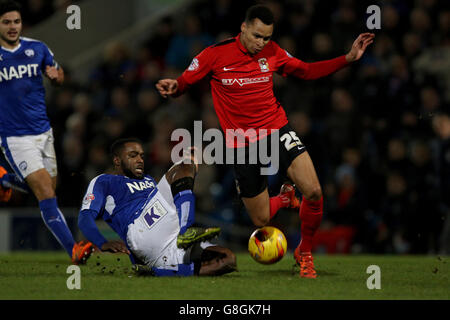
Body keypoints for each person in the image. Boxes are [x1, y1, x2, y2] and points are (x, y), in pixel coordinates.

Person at [156, 5, 375, 278]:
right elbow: (185, 82)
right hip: (241, 143)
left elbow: (306, 71)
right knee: (261, 220)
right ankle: (284, 198)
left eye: (267, 38)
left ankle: (305, 253)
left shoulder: (273, 53)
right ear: (244, 28)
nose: (262, 43)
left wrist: (348, 58)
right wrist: (174, 87)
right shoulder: (214, 54)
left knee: (314, 191)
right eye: (257, 36)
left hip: (277, 129)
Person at [0, 0, 93, 264]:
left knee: (50, 189)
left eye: (15, 21)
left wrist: (57, 76)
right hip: (14, 137)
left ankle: (6, 179)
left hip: (43, 131)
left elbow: (59, 73)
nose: (12, 27)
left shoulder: (37, 48)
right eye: (6, 22)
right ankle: (73, 250)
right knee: (45, 191)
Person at [78, 138, 237, 276]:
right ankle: (186, 230)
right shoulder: (105, 181)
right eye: (132, 156)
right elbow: (84, 217)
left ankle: (158, 271)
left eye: (141, 155)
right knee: (185, 164)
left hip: (166, 241)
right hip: (141, 226)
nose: (140, 159)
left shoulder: (149, 180)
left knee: (227, 259)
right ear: (117, 160)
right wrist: (102, 242)